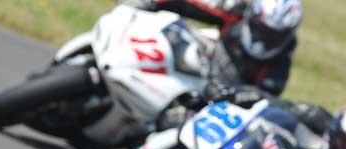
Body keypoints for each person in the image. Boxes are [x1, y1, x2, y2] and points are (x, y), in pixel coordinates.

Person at [122, 0, 303, 97]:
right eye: (262, 29)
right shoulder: (235, 12)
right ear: (252, 17)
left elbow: (262, 100)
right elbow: (193, 3)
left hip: (218, 101)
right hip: (200, 65)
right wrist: (152, 2)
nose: (264, 38)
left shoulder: (279, 65)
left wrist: (231, 93)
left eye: (273, 36)